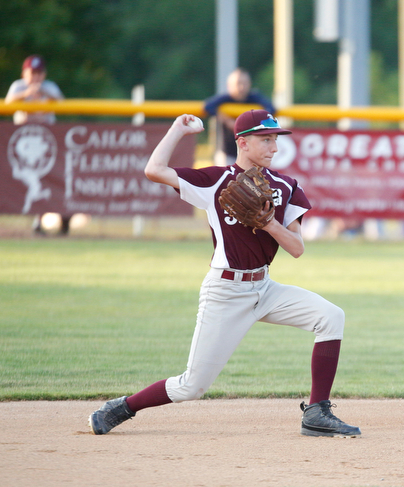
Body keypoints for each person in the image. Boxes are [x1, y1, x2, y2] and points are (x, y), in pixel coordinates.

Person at [88, 109, 360, 438]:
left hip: (265, 288)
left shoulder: (285, 187)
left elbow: (297, 247)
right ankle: (122, 407)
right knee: (191, 387)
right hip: (225, 291)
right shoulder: (215, 181)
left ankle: (317, 411)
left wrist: (269, 223)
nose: (274, 147)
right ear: (242, 142)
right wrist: (177, 130)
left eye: (275, 139)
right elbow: (154, 170)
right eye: (266, 139)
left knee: (331, 316)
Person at [5, 54, 71, 235]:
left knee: (56, 181)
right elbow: (7, 104)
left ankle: (62, 219)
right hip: (22, 145)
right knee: (32, 183)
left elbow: (63, 103)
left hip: (48, 144)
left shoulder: (49, 87)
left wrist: (43, 92)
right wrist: (26, 94)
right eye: (32, 72)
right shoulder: (18, 87)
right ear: (24, 73)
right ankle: (37, 221)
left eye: (39, 73)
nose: (35, 77)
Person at [204, 68, 276, 165]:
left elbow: (271, 108)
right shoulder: (225, 100)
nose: (241, 87)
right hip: (227, 150)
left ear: (249, 84)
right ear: (229, 86)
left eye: (244, 83)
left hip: (250, 151)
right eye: (238, 83)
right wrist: (226, 119)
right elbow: (207, 106)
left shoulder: (254, 98)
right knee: (227, 178)